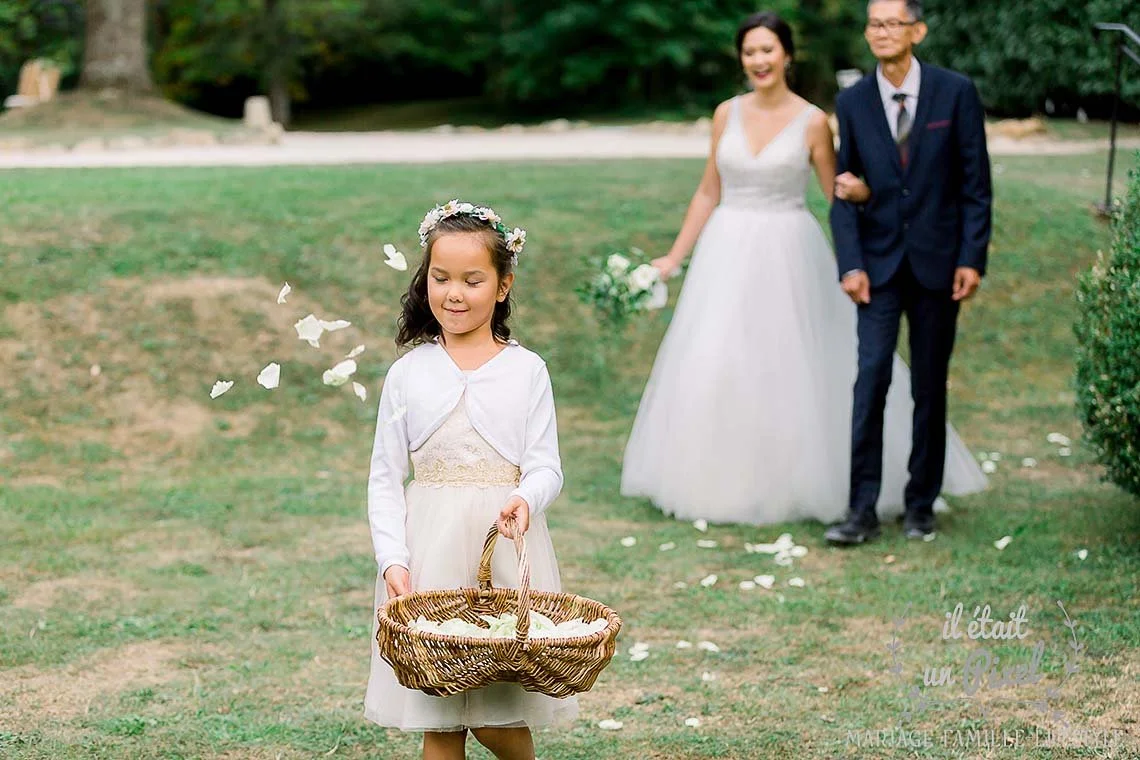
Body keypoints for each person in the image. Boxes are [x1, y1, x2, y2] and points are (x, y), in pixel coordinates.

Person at [619, 10, 987, 527]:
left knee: (804, 363)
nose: (759, 60)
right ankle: (728, 482)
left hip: (789, 250)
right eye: (749, 52)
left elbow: (842, 189)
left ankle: (893, 498)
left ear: (787, 55)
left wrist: (864, 208)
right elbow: (709, 188)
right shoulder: (727, 113)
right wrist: (675, 257)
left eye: (768, 49)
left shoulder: (815, 119)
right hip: (725, 253)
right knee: (716, 360)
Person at [364, 201, 575, 759]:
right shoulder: (408, 372)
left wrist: (526, 498)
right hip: (428, 555)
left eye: (472, 280)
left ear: (502, 287)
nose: (453, 293)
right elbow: (384, 477)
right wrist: (393, 558)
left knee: (498, 715)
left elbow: (545, 464)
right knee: (441, 719)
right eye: (440, 278)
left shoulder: (526, 369)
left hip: (499, 553)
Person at [825, 0, 992, 545]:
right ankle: (861, 509)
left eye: (892, 22)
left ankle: (921, 504)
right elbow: (844, 191)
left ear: (916, 31)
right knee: (870, 379)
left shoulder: (955, 93)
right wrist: (849, 262)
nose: (881, 31)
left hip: (940, 265)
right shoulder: (851, 102)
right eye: (873, 23)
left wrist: (971, 257)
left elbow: (975, 185)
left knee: (928, 385)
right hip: (876, 267)